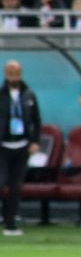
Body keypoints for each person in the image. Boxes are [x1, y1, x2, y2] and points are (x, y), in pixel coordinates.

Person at [0, 61, 41, 237]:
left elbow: (36, 120)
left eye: (16, 72)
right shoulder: (1, 95)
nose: (13, 76)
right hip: (3, 146)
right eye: (10, 72)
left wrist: (35, 141)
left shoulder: (28, 94)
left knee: (16, 186)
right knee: (1, 181)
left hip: (22, 146)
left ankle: (10, 224)